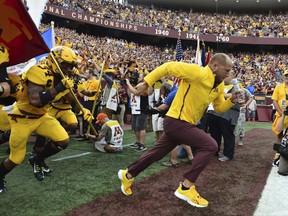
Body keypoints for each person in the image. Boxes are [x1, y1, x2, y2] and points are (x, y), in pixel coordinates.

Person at [117, 53, 240, 207]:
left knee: (156, 153)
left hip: (185, 125)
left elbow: (218, 108)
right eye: (226, 70)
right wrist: (147, 82)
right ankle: (186, 187)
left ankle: (128, 174)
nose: (228, 74)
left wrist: (232, 100)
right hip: (176, 122)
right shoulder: (197, 72)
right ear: (214, 66)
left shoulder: (219, 84)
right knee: (210, 145)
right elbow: (168, 66)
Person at [0, 46, 93, 192]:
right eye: (65, 65)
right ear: (54, 61)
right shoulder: (38, 71)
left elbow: (71, 99)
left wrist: (82, 110)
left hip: (42, 116)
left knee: (63, 140)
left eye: (71, 66)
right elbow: (35, 100)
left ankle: (37, 158)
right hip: (23, 118)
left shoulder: (63, 77)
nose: (68, 69)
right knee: (16, 158)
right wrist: (59, 88)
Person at [207, 71, 252, 161]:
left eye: (228, 74)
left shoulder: (237, 86)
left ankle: (228, 154)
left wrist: (223, 95)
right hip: (215, 112)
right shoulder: (220, 84)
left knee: (228, 135)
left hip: (229, 114)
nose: (225, 76)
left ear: (232, 76)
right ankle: (215, 151)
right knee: (215, 134)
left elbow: (240, 99)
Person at [271, 70, 288, 166]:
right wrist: (281, 113)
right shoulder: (279, 87)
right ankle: (277, 156)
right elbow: (275, 101)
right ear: (283, 76)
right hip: (281, 115)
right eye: (286, 75)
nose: (287, 77)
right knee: (279, 135)